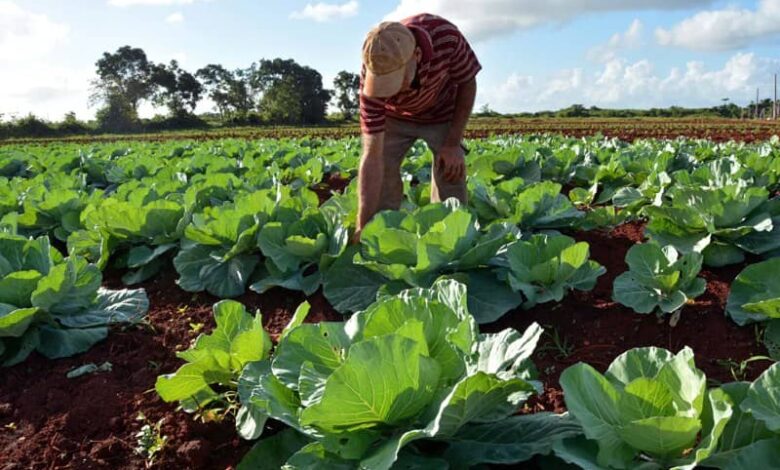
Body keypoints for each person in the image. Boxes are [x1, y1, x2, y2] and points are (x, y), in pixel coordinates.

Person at [354, 13, 481, 240]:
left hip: (442, 112)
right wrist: (362, 226)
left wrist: (452, 144)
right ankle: (381, 237)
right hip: (395, 117)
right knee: (382, 168)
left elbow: (467, 81)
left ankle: (448, 240)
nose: (391, 91)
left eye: (396, 81)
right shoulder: (372, 72)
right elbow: (372, 156)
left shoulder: (446, 38)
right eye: (383, 84)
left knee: (450, 172)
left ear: (418, 55)